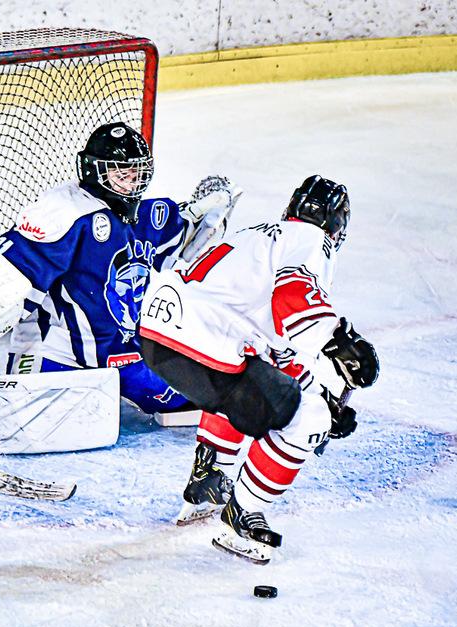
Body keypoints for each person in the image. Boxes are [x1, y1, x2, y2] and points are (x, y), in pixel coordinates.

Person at [0, 122, 241, 458]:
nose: (131, 183)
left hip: (127, 358)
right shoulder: (66, 214)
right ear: (94, 172)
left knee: (213, 394)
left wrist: (213, 209)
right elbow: (8, 268)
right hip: (59, 358)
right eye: (121, 174)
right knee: (19, 423)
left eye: (137, 173)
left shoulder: (147, 215)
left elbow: (187, 239)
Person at [138, 175, 380, 563]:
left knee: (246, 384)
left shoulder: (257, 236)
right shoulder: (311, 240)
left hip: (159, 338)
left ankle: (207, 482)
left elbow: (276, 358)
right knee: (310, 419)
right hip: (205, 339)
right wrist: (338, 343)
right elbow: (293, 298)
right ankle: (242, 515)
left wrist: (320, 390)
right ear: (336, 225)